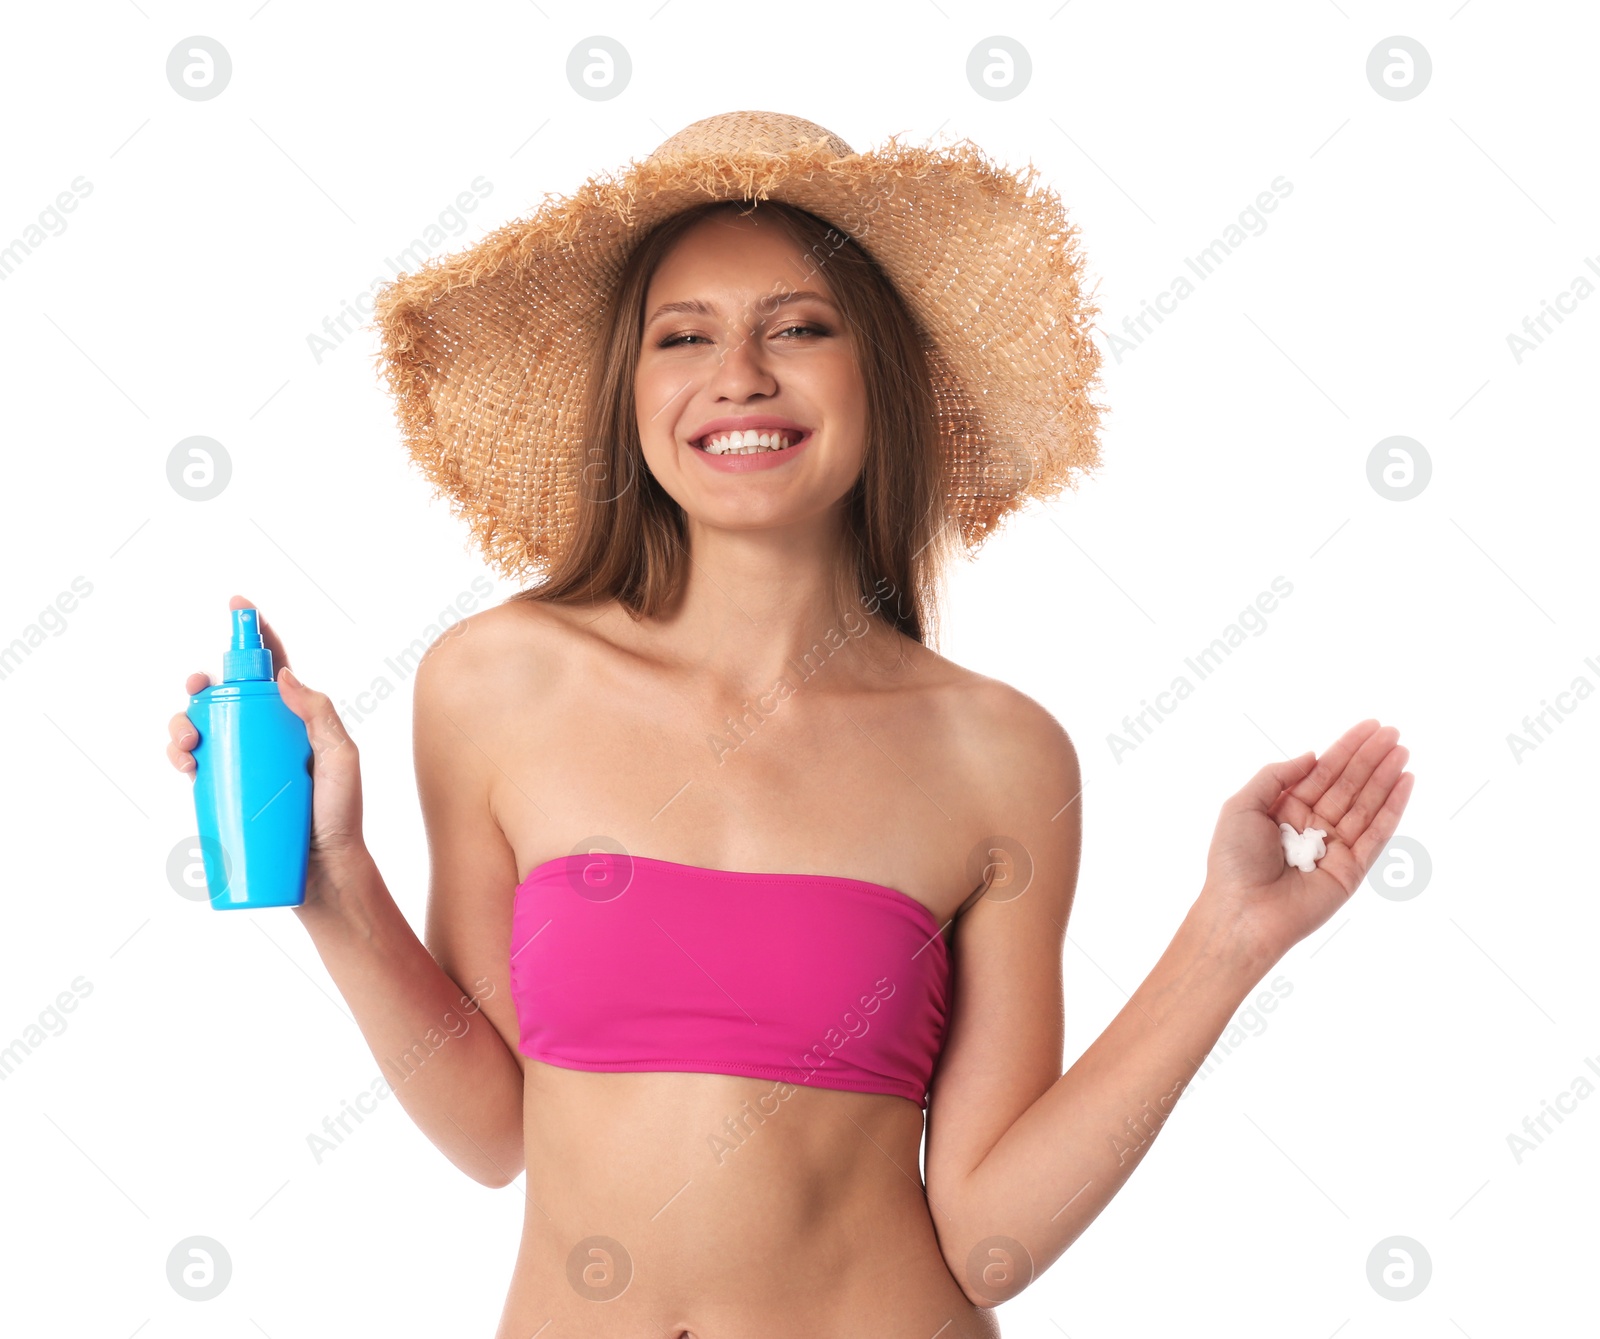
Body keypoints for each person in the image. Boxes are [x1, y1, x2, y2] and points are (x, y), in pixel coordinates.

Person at [165, 112, 1413, 1337]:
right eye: (683, 335)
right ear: (632, 390)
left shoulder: (995, 751)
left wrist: (1229, 938)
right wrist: (333, 882)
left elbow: (990, 1236)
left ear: (884, 375)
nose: (739, 375)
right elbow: (493, 1128)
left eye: (799, 328)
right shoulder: (497, 683)